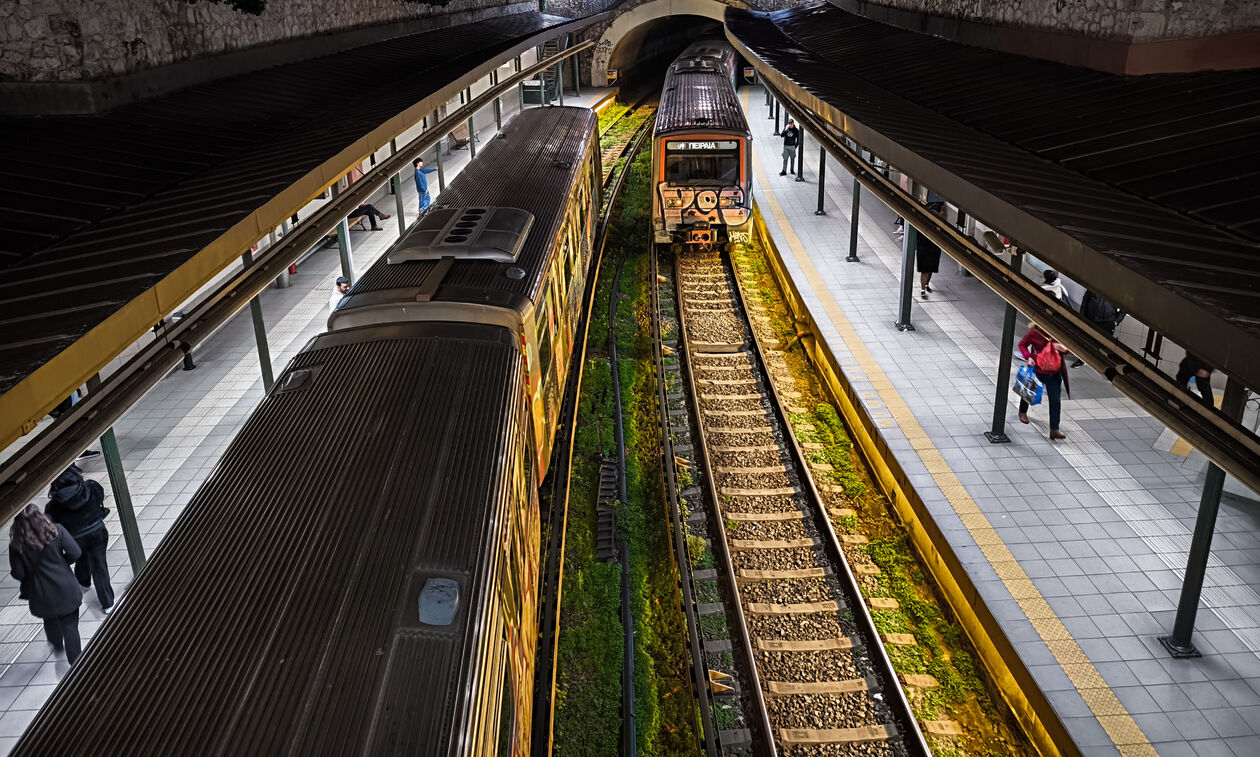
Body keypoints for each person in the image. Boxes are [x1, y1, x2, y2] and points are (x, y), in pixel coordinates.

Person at [10, 504, 84, 664]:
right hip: (66, 590)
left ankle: (57, 645)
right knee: (70, 627)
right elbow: (76, 552)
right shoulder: (56, 531)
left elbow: (19, 574)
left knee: (49, 619)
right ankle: (77, 666)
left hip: (41, 594)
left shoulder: (16, 546)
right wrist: (63, 564)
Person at [46, 465, 114, 613]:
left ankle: (83, 582)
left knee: (81, 556)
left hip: (74, 538)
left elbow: (52, 525)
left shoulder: (53, 505)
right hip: (97, 532)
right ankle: (107, 602)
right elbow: (101, 496)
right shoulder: (91, 487)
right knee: (99, 565)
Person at [1017, 323, 1070, 440]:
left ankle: (1054, 429)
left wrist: (1064, 349)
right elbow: (1022, 345)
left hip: (1054, 373)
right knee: (1028, 391)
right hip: (1038, 369)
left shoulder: (1059, 334)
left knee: (1055, 400)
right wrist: (1029, 357)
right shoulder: (1035, 333)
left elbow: (1069, 349)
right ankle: (1022, 411)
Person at [1071, 290, 1124, 367]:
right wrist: (1082, 315)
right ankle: (1082, 359)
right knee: (1086, 340)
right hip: (1090, 317)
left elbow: (1125, 309)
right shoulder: (1098, 284)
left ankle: (1099, 363)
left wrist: (1116, 321)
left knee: (1103, 344)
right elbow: (1086, 298)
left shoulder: (1120, 290)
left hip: (1107, 321)